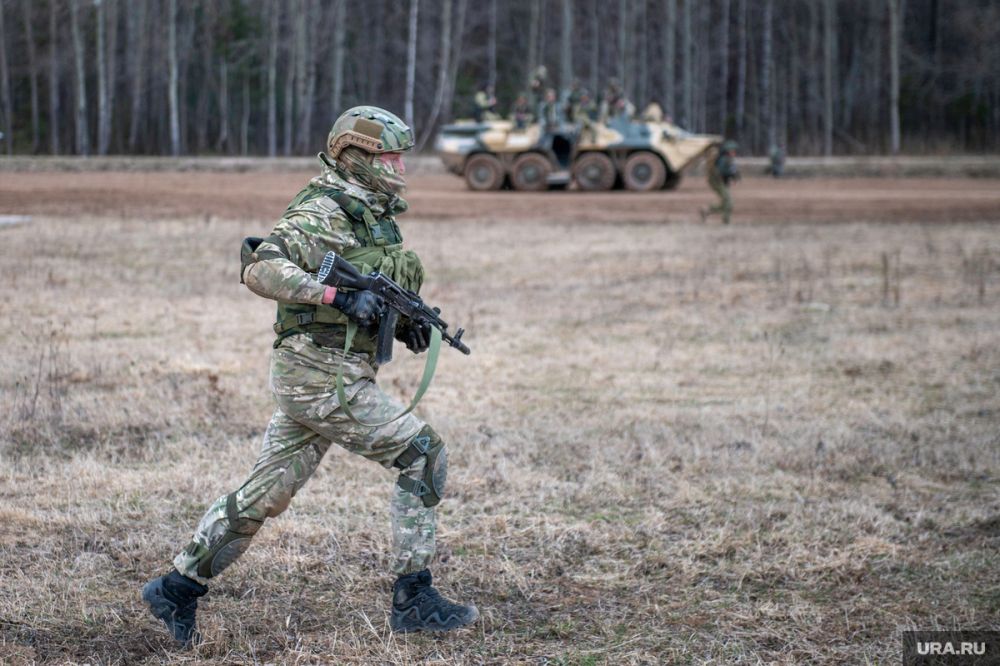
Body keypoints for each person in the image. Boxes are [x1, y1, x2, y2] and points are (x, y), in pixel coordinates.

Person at [141, 106, 478, 647]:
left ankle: (176, 588)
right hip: (318, 376)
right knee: (423, 454)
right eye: (389, 155)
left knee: (266, 492)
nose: (400, 165)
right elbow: (260, 267)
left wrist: (404, 326)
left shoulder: (371, 212)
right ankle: (414, 597)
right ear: (357, 158)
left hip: (326, 372)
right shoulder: (321, 209)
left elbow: (373, 291)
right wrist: (337, 295)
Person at [700, 140, 740, 225]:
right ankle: (726, 221)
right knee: (728, 201)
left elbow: (732, 170)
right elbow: (722, 172)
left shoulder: (728, 159)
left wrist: (734, 175)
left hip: (720, 182)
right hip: (717, 182)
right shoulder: (723, 159)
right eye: (733, 150)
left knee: (727, 202)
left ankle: (707, 210)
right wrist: (731, 173)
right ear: (728, 151)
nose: (734, 152)